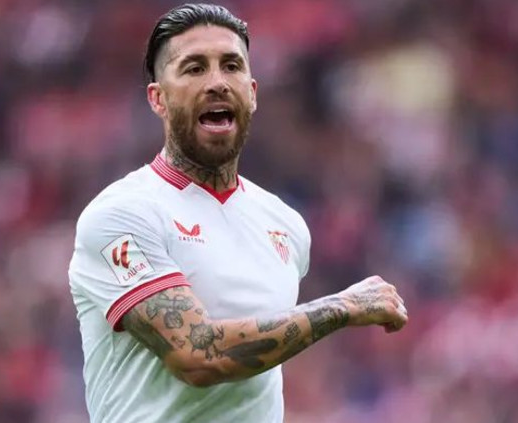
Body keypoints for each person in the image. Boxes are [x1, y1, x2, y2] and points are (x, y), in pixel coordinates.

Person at [68, 3, 408, 422]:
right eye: (194, 68)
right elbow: (197, 356)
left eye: (231, 66)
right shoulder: (122, 215)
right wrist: (341, 307)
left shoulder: (285, 225)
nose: (217, 82)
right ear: (158, 98)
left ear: (252, 92)